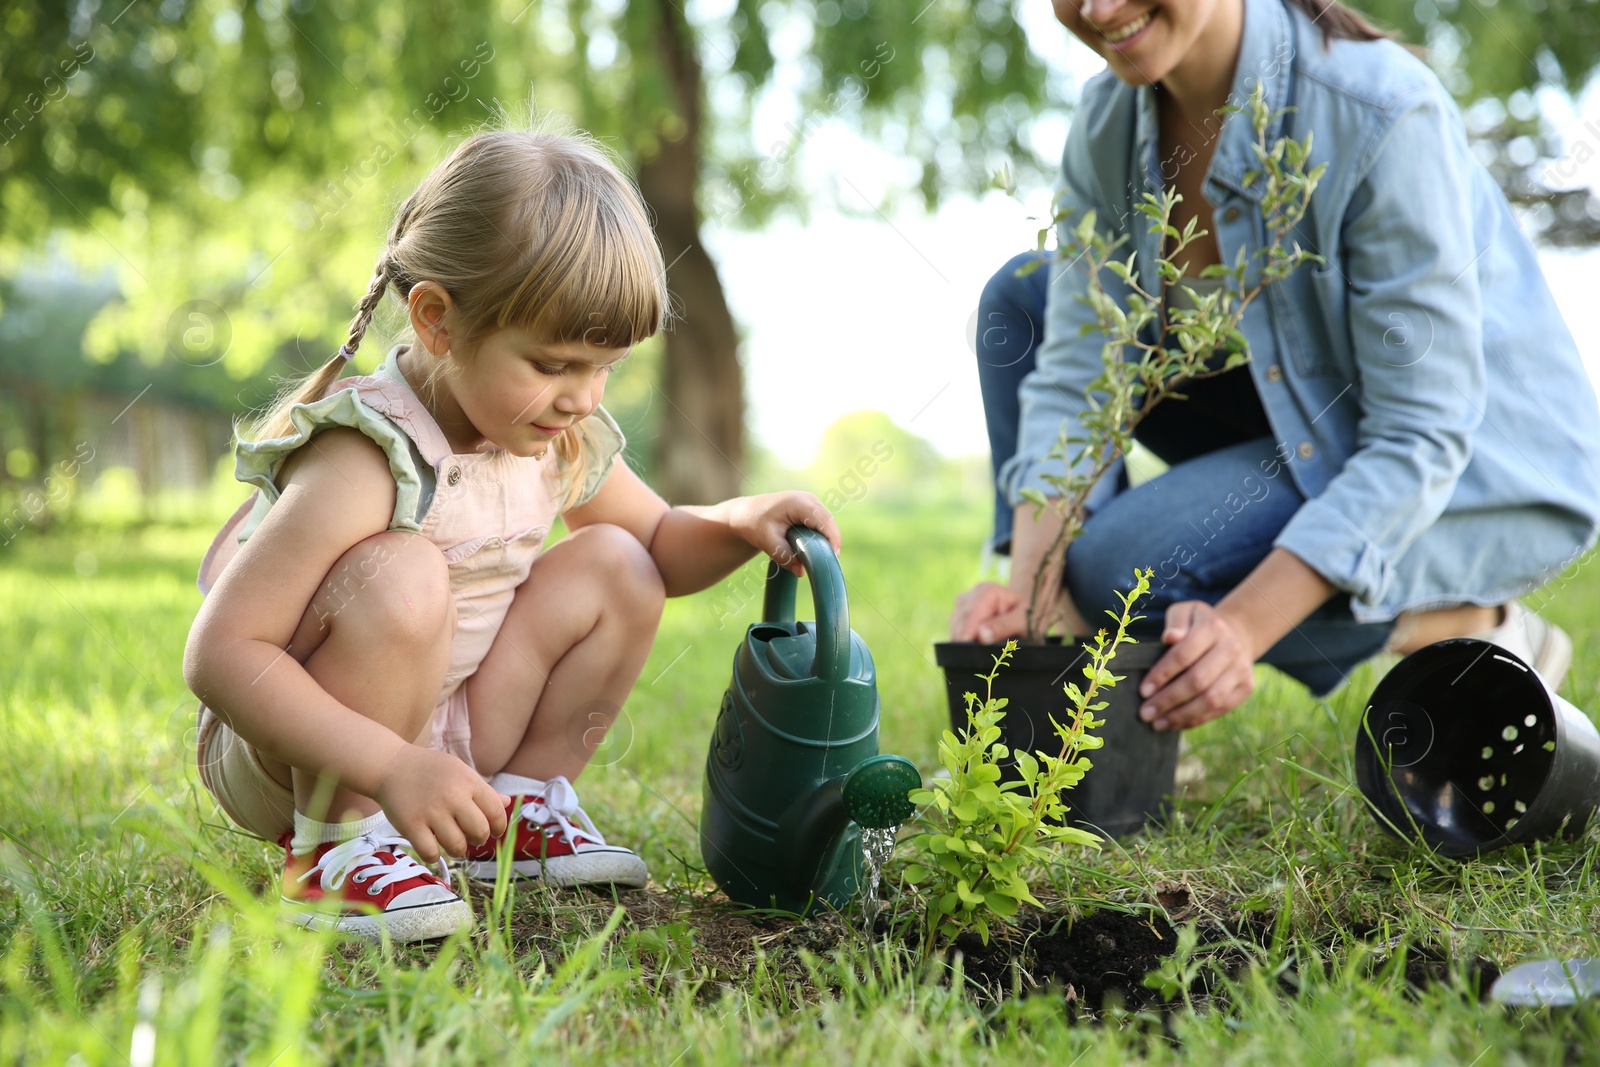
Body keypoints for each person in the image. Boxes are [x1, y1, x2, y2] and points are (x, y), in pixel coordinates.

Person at [184, 128, 839, 942]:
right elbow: (223, 655)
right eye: (553, 363)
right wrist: (387, 766)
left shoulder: (552, 435)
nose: (581, 397)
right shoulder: (366, 455)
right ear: (437, 321)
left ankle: (516, 809)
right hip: (297, 748)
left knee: (620, 566)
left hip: (444, 727)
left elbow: (663, 545)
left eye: (604, 366)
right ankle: (339, 849)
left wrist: (738, 521)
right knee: (405, 572)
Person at [951, 0, 1600, 733]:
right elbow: (1076, 379)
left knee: (1114, 578)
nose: (1099, 9)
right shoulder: (1107, 123)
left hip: (1482, 464)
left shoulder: (1379, 111)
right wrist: (1035, 603)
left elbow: (1422, 433)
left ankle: (1466, 616)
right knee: (1022, 300)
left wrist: (1240, 628)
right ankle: (1095, 712)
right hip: (1312, 420)